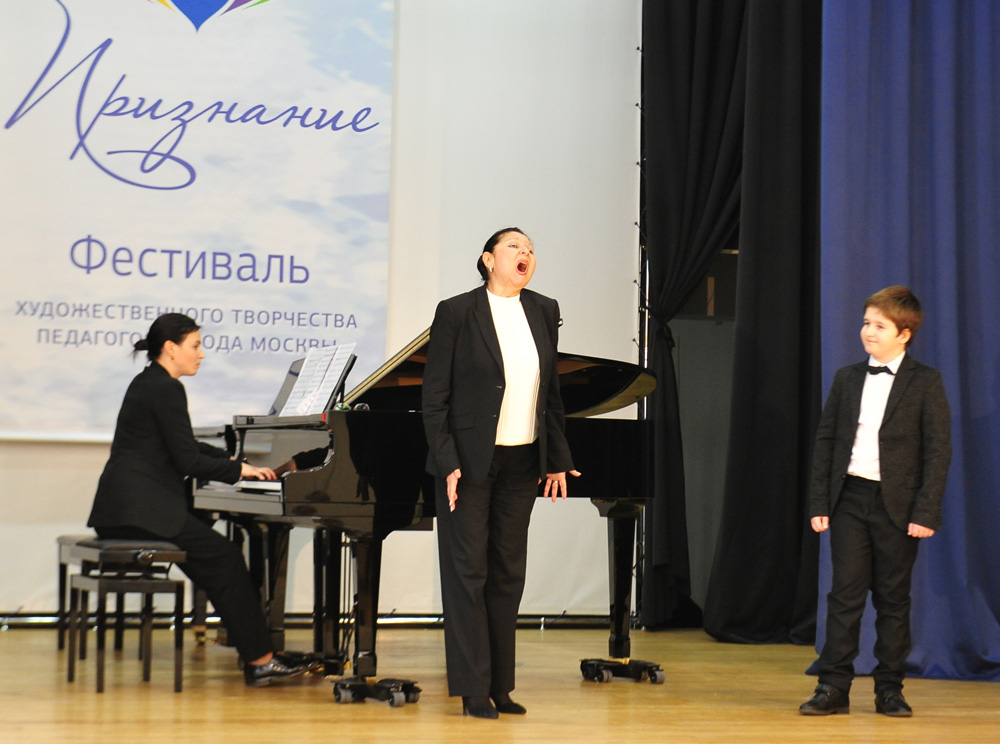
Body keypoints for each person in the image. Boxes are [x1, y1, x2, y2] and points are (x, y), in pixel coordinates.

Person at [87, 313, 311, 686]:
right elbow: (188, 459)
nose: (201, 354)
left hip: (124, 509)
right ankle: (260, 660)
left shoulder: (149, 382)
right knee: (225, 559)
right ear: (170, 348)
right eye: (195, 345)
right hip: (140, 512)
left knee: (215, 558)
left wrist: (233, 462)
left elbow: (183, 446)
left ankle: (258, 652)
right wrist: (241, 470)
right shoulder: (165, 388)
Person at [422, 227, 580, 719]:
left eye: (530, 249)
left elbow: (551, 394)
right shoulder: (457, 311)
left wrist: (556, 458)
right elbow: (434, 396)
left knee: (508, 573)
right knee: (468, 571)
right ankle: (473, 689)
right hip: (469, 462)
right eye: (514, 246)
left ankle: (500, 686)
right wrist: (447, 461)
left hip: (522, 461)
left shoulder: (543, 310)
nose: (525, 253)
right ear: (489, 259)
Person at [800, 286, 951, 717]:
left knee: (892, 600)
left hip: (897, 507)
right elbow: (826, 442)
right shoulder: (847, 378)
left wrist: (926, 511)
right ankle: (833, 686)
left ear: (904, 334)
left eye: (879, 326)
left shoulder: (926, 381)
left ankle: (889, 689)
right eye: (866, 323)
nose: (868, 331)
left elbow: (938, 451)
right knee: (844, 596)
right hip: (850, 497)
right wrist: (819, 502)